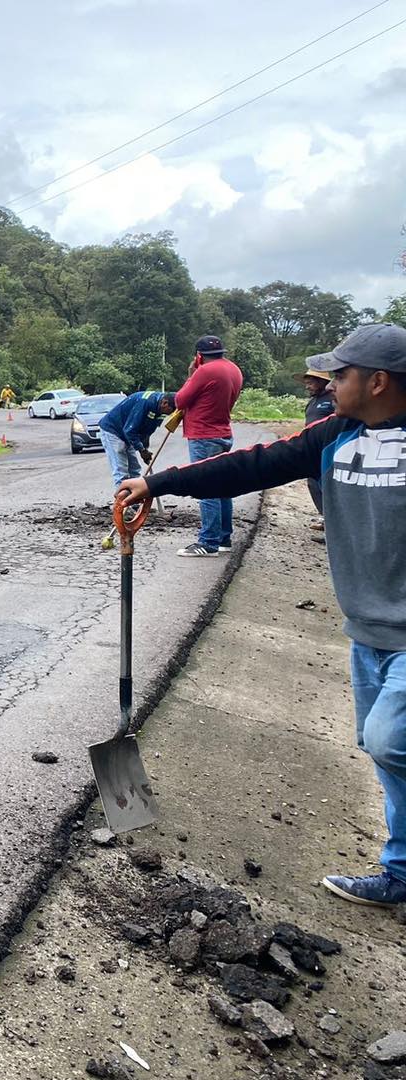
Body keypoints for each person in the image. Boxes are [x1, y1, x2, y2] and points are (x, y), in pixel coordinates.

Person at [116, 322, 406, 909]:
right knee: (385, 752)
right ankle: (400, 870)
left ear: (377, 382)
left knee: (392, 739)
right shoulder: (337, 431)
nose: (329, 382)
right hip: (365, 629)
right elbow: (252, 464)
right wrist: (158, 482)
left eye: (341, 374)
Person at [173, 334, 244, 557]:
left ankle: (208, 542)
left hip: (204, 436)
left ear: (199, 355)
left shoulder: (204, 371)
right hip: (223, 432)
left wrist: (191, 375)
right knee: (222, 486)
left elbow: (180, 400)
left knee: (206, 487)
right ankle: (224, 538)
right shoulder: (234, 369)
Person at [97, 391, 176, 487]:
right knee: (121, 469)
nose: (170, 414)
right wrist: (141, 450)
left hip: (126, 434)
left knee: (134, 469)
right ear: (165, 403)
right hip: (113, 430)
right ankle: (123, 500)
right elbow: (130, 430)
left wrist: (145, 448)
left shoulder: (161, 409)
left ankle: (135, 497)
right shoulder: (145, 402)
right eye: (170, 410)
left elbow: (148, 430)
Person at [299, 356, 336, 517]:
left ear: (321, 382)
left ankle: (332, 523)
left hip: (327, 449)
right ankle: (325, 519)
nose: (307, 387)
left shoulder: (332, 399)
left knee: (327, 486)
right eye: (306, 383)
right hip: (313, 450)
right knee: (313, 484)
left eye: (311, 383)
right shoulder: (313, 401)